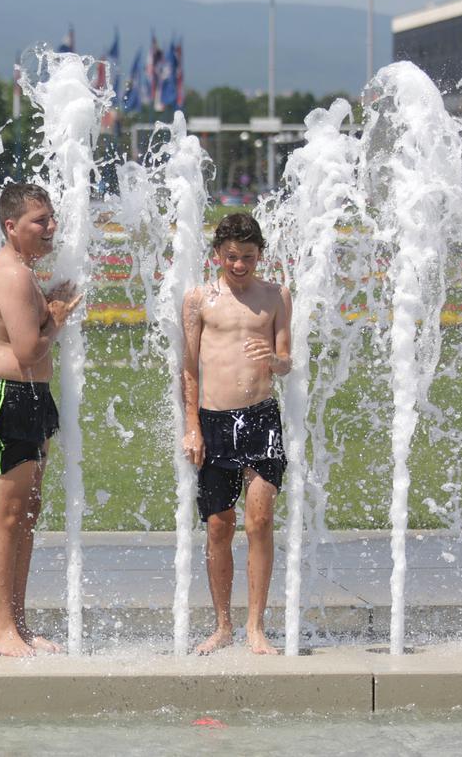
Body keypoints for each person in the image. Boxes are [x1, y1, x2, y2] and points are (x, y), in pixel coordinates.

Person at [0, 182, 81, 657]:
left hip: (31, 397)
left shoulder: (24, 271)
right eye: (41, 220)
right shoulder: (13, 275)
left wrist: (47, 306)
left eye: (52, 217)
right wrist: (56, 317)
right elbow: (28, 350)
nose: (51, 227)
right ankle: (1, 632)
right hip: (8, 400)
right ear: (11, 226)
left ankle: (18, 623)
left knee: (27, 514)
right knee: (8, 516)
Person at [181, 212, 291, 655]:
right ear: (218, 255)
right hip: (214, 421)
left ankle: (255, 627)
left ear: (259, 255)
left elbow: (286, 360)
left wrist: (276, 358)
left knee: (259, 519)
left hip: (262, 417)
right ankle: (223, 625)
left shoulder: (277, 296)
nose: (240, 265)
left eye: (248, 257)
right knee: (218, 526)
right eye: (232, 257)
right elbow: (188, 369)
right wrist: (192, 426)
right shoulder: (199, 299)